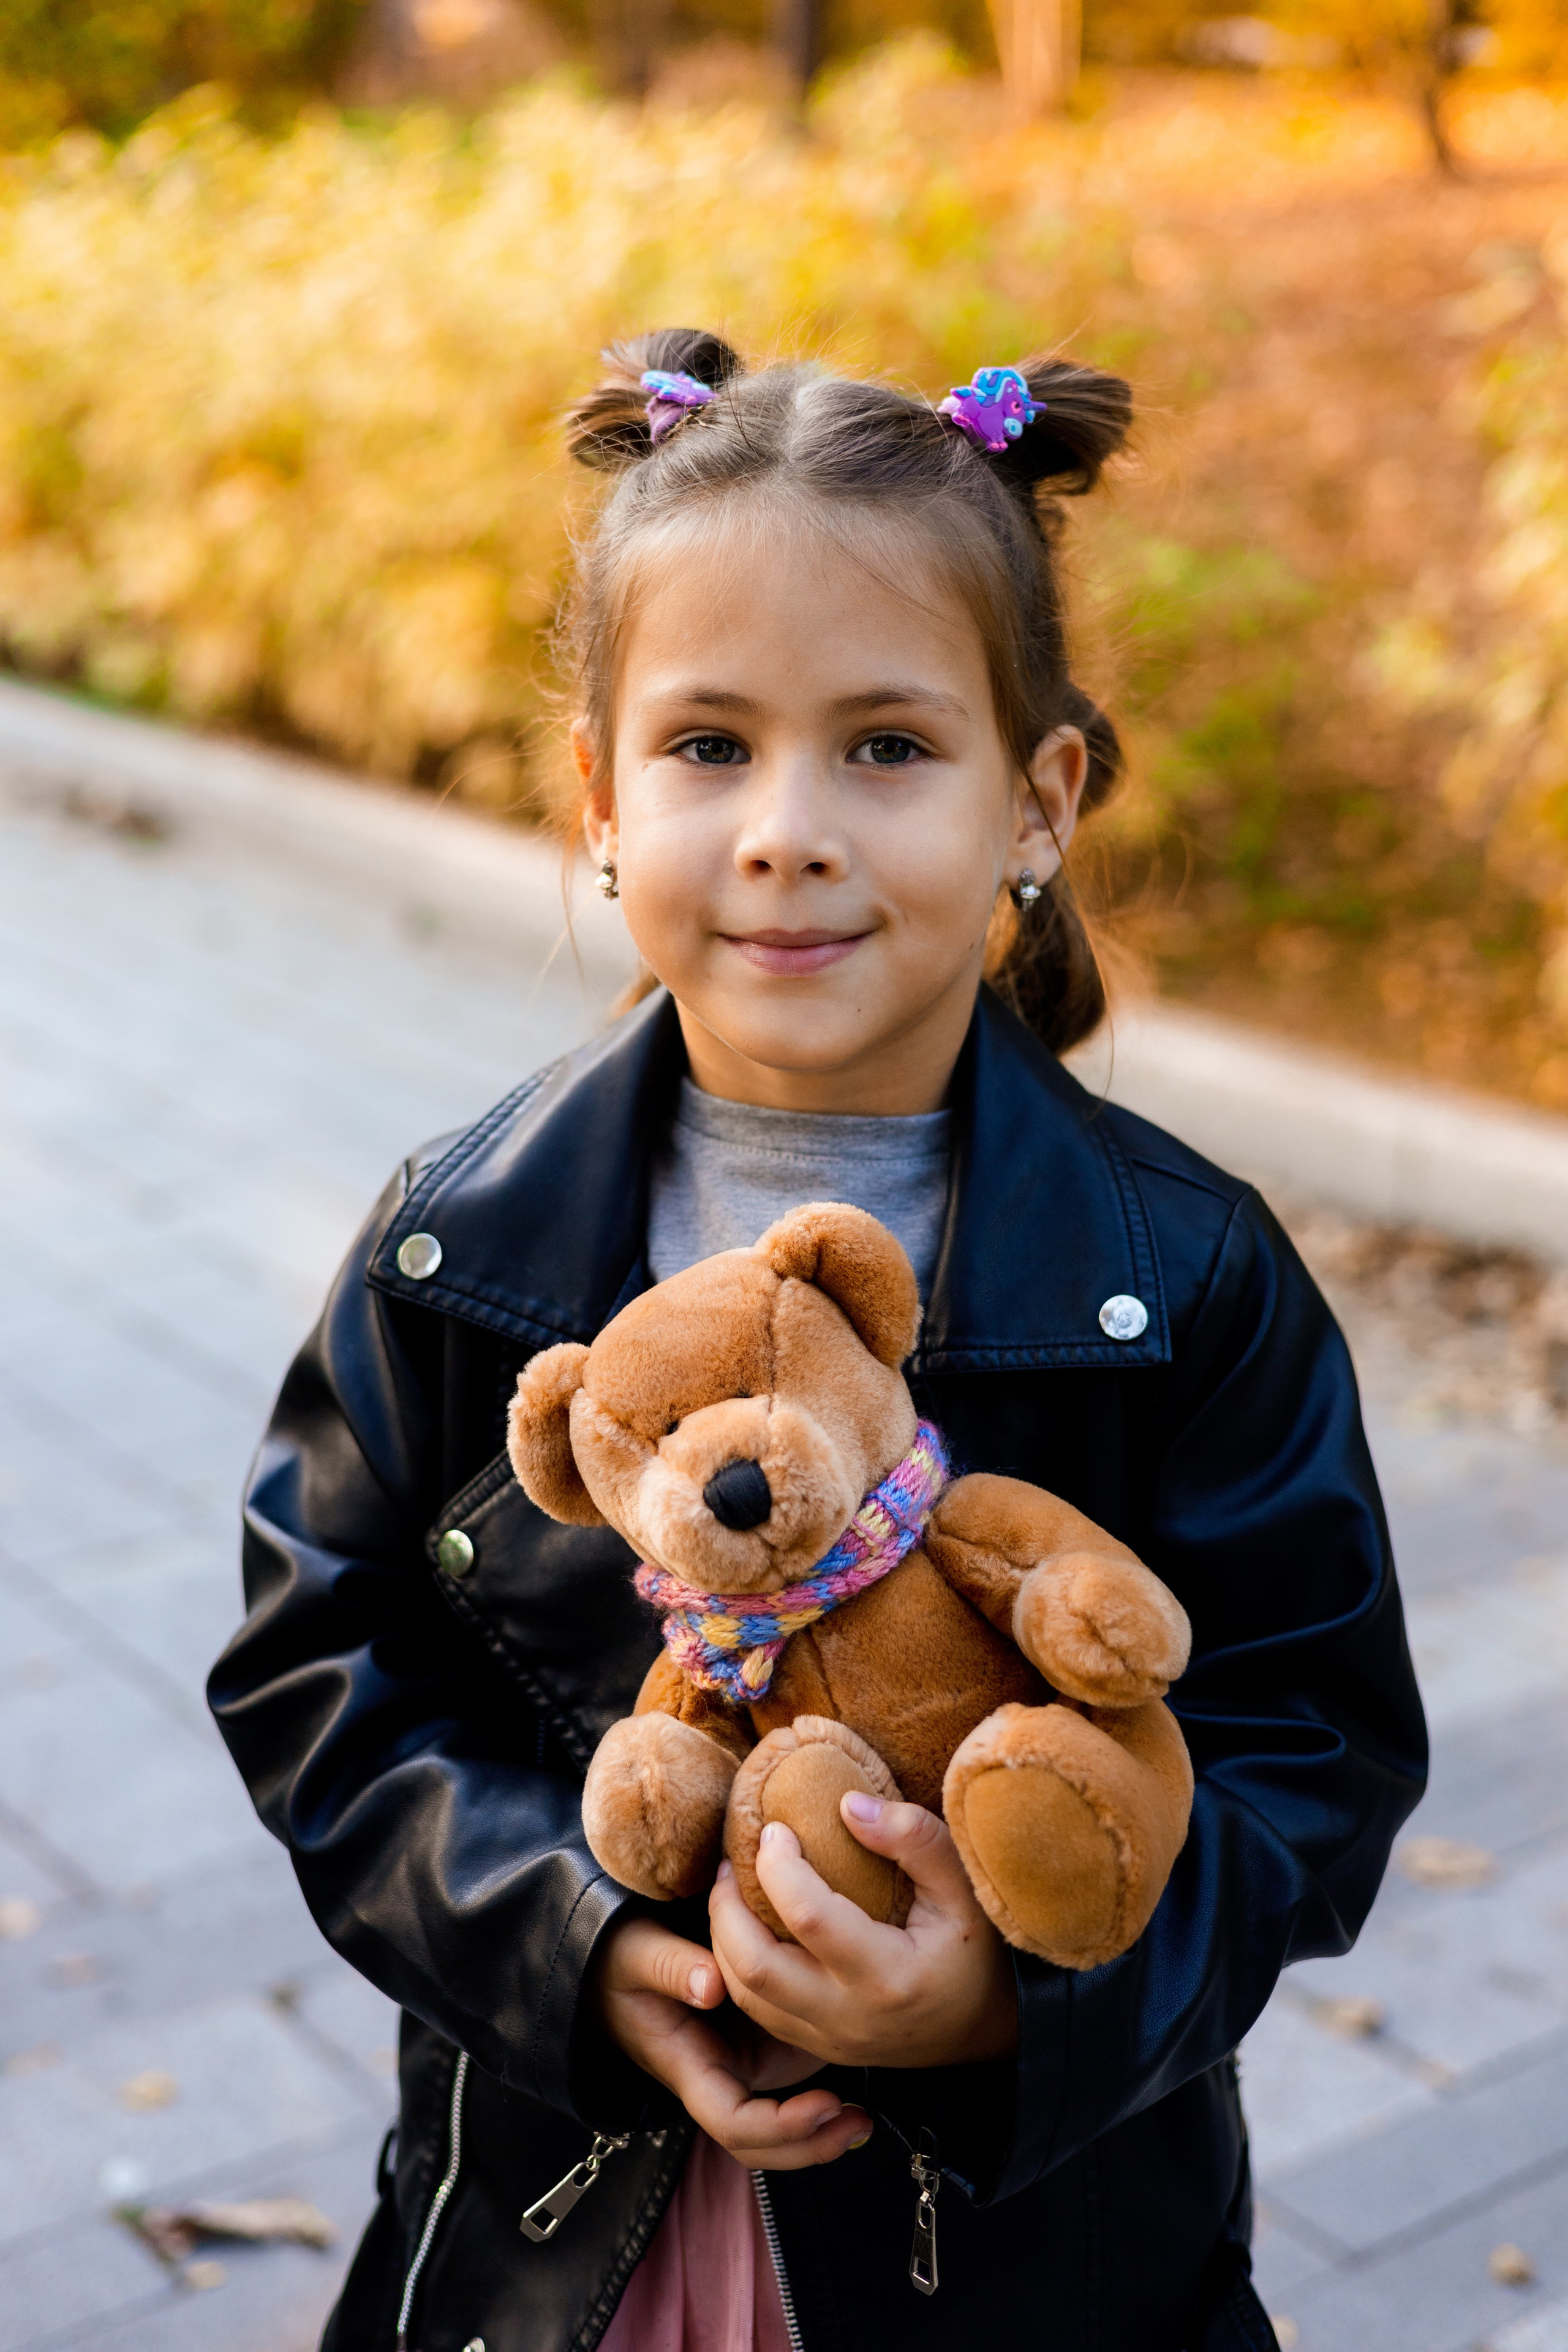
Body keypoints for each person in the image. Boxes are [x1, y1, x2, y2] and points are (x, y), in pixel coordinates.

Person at [209, 331, 1427, 2352]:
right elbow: (318, 1660)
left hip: (1024, 2254)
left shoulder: (1186, 1278)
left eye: (885, 745)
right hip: (553, 2222)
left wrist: (1010, 2001)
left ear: (1036, 802)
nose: (787, 827)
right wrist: (575, 1943)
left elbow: (1317, 1745)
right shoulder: (461, 1242)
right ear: (596, 797)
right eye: (709, 748)